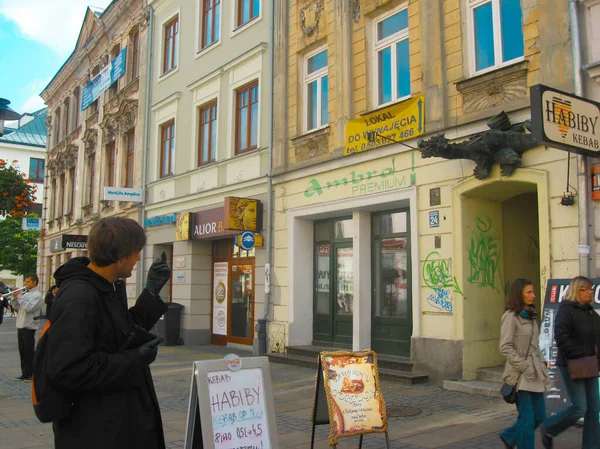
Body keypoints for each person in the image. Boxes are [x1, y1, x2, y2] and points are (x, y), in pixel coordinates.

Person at [45, 217, 171, 449]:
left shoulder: (108, 285)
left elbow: (121, 331)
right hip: (96, 429)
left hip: (118, 418)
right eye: (135, 253)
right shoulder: (79, 296)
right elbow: (67, 370)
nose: (137, 258)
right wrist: (134, 359)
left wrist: (151, 292)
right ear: (121, 257)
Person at [540, 276, 600, 449]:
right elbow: (561, 337)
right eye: (586, 289)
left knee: (594, 410)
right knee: (580, 407)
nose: (590, 292)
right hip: (572, 364)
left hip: (590, 365)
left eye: (591, 289)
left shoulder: (590, 312)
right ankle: (549, 427)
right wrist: (579, 354)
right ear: (577, 291)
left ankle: (592, 445)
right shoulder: (566, 311)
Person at [499, 278, 552, 449]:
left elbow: (535, 346)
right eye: (529, 292)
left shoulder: (531, 316)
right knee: (527, 419)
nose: (533, 295)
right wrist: (524, 366)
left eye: (533, 291)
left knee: (539, 416)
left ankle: (509, 436)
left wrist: (542, 364)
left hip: (535, 374)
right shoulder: (510, 317)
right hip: (520, 376)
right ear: (519, 294)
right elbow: (505, 347)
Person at [10, 275, 43, 382]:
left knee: (29, 352)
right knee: (22, 351)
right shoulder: (25, 293)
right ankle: (25, 373)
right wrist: (14, 297)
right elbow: (16, 307)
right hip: (20, 325)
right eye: (25, 281)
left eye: (28, 282)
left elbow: (28, 308)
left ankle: (31, 373)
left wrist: (19, 296)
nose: (25, 284)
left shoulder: (37, 295)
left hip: (29, 326)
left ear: (34, 283)